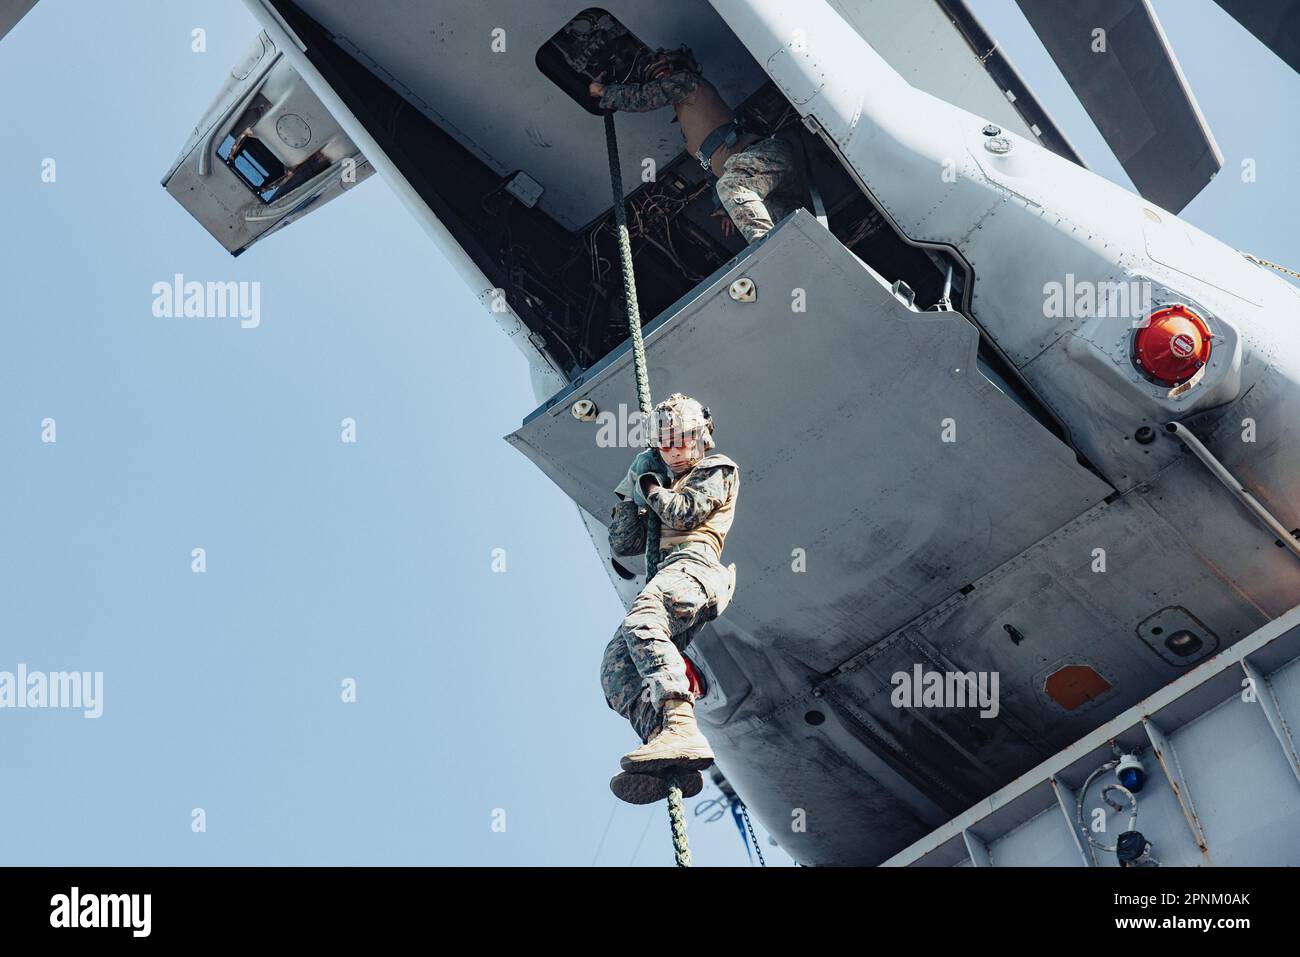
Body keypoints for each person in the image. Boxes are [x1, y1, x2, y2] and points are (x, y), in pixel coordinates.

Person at [601, 394, 740, 804]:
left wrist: (649, 487)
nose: (674, 450)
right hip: (667, 575)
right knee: (616, 669)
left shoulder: (718, 469)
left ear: (703, 437)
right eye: (664, 443)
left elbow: (683, 514)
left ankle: (679, 723)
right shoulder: (659, 479)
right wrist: (630, 494)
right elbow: (623, 542)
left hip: (695, 567)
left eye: (682, 439)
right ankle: (665, 741)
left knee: (643, 621)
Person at [589, 46, 802, 244]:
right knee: (790, 229)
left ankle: (765, 248)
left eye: (662, 74)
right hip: (762, 177)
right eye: (655, 77)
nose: (661, 81)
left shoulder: (687, 81)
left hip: (763, 157)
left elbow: (646, 97)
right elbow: (712, 173)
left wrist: (603, 92)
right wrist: (723, 206)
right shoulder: (691, 137)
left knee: (732, 187)